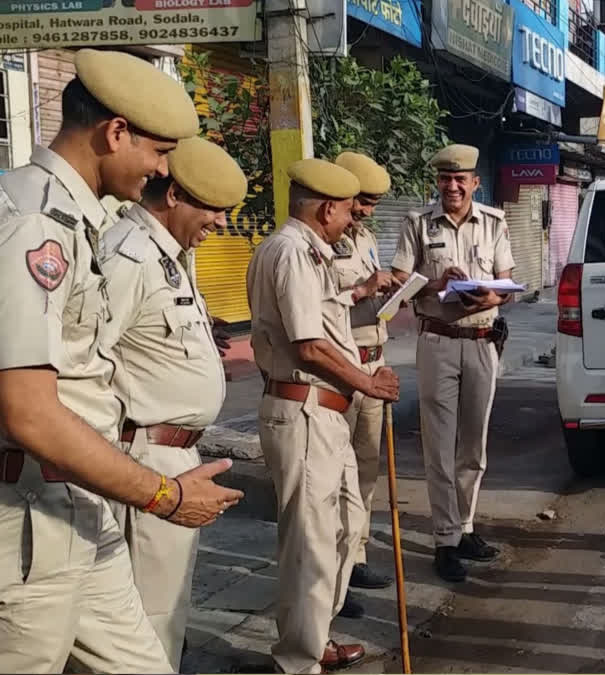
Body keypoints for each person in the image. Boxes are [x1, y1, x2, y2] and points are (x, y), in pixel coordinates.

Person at [0, 48, 242, 673]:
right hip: (32, 523)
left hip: (81, 506)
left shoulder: (75, 222)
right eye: (159, 154)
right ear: (115, 133)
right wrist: (162, 495)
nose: (162, 171)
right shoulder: (35, 224)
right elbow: (28, 412)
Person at [247, 158, 400, 674]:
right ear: (328, 207)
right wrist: (367, 382)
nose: (352, 219)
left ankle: (314, 636)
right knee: (309, 542)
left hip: (327, 411)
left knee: (343, 525)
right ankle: (298, 658)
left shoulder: (314, 253)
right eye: (347, 210)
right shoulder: (291, 251)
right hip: (304, 406)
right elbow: (309, 346)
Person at [100, 136, 248, 670]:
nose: (223, 225)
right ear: (174, 196)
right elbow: (85, 363)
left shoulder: (171, 256)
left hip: (174, 456)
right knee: (144, 626)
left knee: (166, 617)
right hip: (141, 457)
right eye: (214, 209)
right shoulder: (128, 255)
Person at [390, 144, 514, 583]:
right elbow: (400, 290)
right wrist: (436, 285)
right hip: (438, 342)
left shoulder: (495, 223)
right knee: (439, 446)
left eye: (461, 179)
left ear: (475, 182)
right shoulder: (417, 225)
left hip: (482, 341)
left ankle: (465, 527)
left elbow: (507, 283)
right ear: (438, 183)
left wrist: (492, 295)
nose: (453, 186)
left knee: (473, 446)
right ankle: (444, 540)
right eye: (446, 179)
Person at [329, 151, 398, 616]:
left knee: (366, 471)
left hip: (374, 362)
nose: (367, 210)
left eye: (373, 203)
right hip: (341, 365)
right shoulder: (322, 243)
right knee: (338, 477)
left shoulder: (366, 237)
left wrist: (390, 290)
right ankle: (334, 573)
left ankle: (356, 556)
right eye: (363, 200)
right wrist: (363, 289)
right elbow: (320, 304)